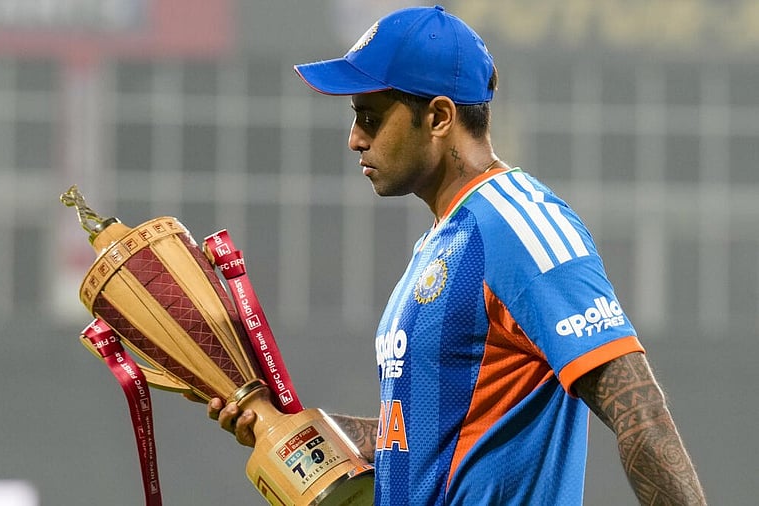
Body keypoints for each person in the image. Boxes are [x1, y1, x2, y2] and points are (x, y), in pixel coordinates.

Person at [208, 5, 707, 505]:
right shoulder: (440, 243)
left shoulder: (520, 224)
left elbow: (639, 413)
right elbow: (422, 442)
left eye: (371, 117)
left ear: (440, 117)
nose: (355, 138)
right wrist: (291, 427)